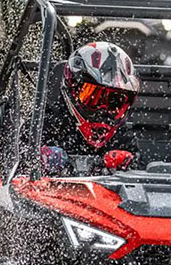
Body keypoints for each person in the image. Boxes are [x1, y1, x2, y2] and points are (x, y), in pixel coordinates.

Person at [41, 41, 140, 174]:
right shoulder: (49, 121)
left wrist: (128, 162)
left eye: (114, 102)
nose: (102, 111)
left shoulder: (119, 135)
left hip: (105, 193)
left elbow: (140, 168)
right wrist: (38, 156)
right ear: (72, 90)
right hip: (49, 192)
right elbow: (18, 154)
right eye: (92, 97)